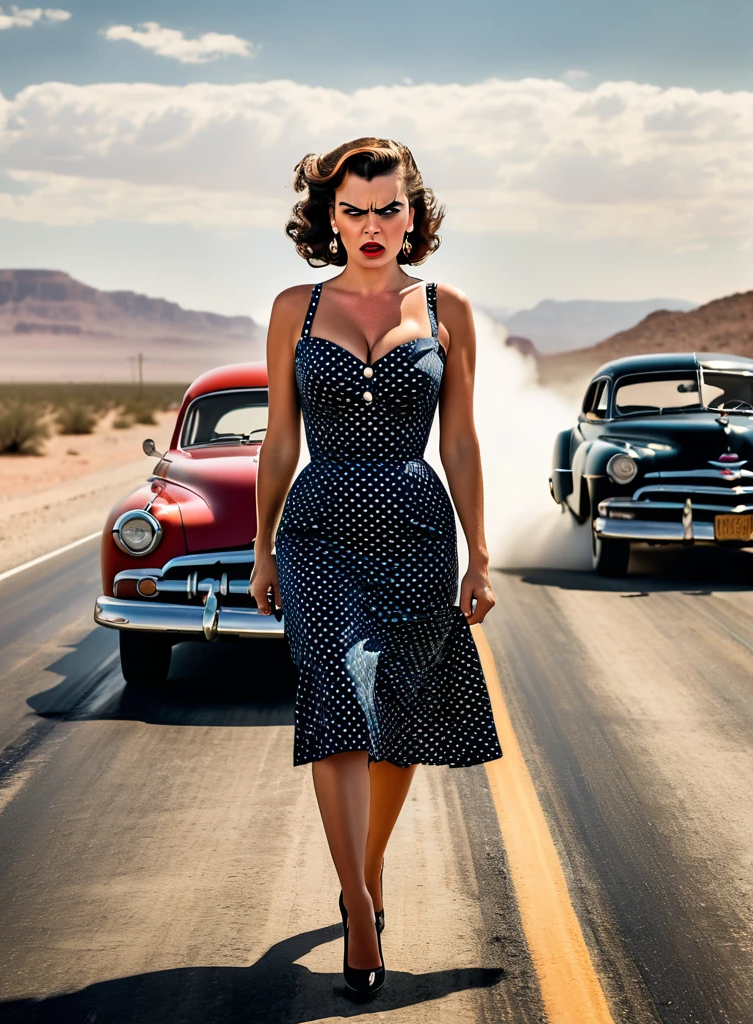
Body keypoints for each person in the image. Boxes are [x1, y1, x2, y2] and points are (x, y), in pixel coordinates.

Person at [250, 137, 503, 995]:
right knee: (336, 695)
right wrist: (261, 544)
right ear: (329, 217)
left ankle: (363, 870)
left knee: (396, 715)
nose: (371, 225)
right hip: (318, 535)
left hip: (420, 539)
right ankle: (361, 908)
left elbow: (460, 439)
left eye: (387, 208)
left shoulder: (445, 308)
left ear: (413, 213)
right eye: (353, 210)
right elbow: (281, 438)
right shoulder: (294, 307)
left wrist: (480, 552)